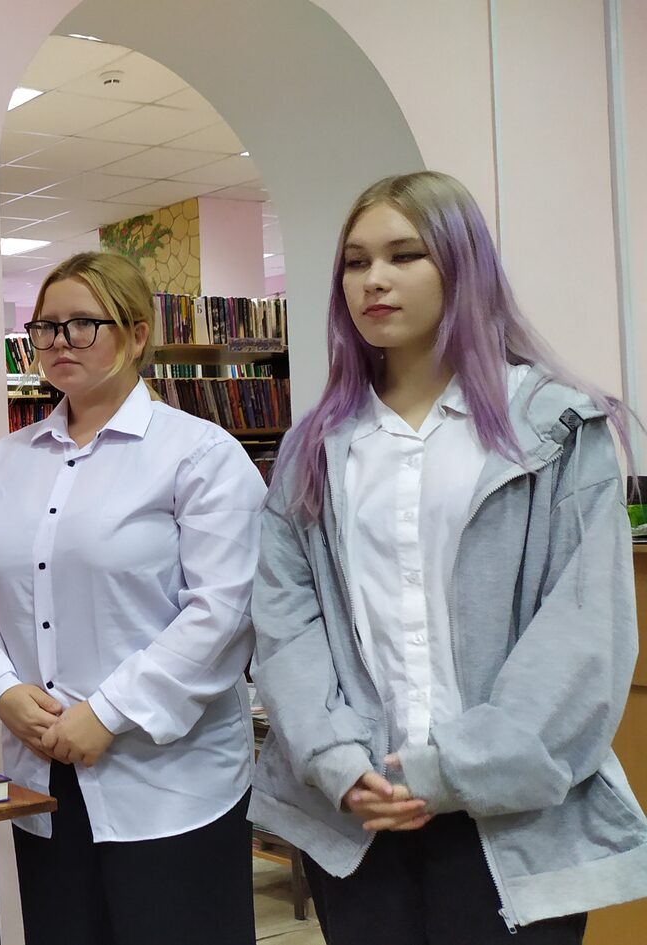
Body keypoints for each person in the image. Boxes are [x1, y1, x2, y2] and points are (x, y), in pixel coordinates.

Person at [250, 170, 647, 944]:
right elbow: (287, 622)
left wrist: (452, 769)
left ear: (463, 266)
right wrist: (335, 759)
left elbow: (582, 636)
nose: (374, 280)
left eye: (405, 255)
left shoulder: (555, 428)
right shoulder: (315, 447)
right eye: (356, 262)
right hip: (359, 813)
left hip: (512, 820)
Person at [0, 251, 264, 943]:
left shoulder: (200, 454)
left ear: (138, 333)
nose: (60, 341)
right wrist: (1, 687)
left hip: (169, 783)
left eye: (83, 324)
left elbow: (224, 611)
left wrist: (108, 711)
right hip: (43, 777)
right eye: (46, 326)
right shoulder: (6, 462)